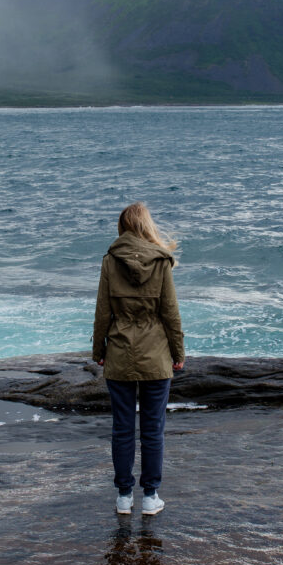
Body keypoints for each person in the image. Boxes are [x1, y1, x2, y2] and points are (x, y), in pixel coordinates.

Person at [92, 202, 185, 516]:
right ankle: (150, 497)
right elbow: (170, 314)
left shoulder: (110, 260)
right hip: (155, 357)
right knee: (152, 429)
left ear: (122, 226)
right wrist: (178, 353)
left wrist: (98, 351)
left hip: (119, 353)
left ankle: (122, 496)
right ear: (147, 226)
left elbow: (102, 311)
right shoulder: (161, 262)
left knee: (121, 428)